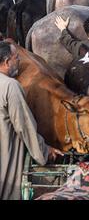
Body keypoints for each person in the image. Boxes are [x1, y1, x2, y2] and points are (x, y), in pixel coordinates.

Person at [0, 41, 63, 200]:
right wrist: (44, 150)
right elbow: (24, 127)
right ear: (7, 62)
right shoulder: (10, 86)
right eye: (16, 58)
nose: (19, 61)